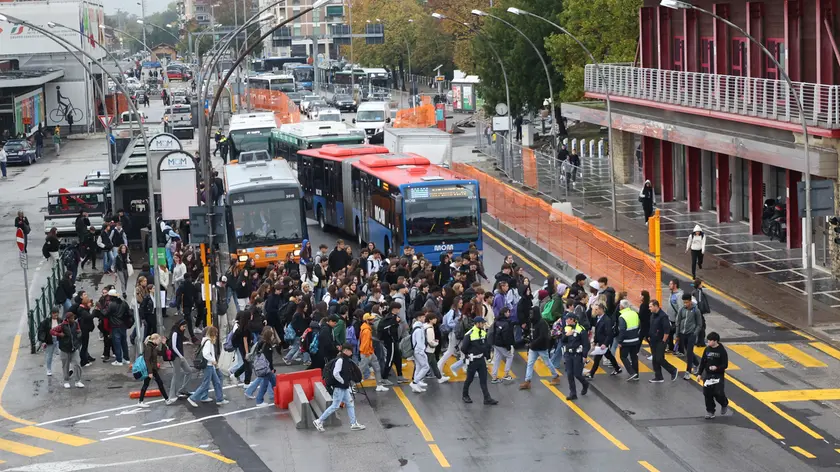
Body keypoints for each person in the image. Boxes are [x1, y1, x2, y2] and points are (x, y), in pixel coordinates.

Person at [313, 343, 366, 432]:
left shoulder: (344, 359)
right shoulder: (340, 360)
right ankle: (319, 421)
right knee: (335, 406)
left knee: (349, 403)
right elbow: (335, 373)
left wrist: (344, 383)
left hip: (343, 387)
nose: (351, 353)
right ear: (345, 351)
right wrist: (343, 381)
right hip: (339, 387)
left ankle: (353, 423)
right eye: (350, 351)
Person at [519, 307, 562, 390]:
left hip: (541, 347)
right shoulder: (532, 322)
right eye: (530, 313)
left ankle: (555, 376)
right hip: (533, 347)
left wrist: (532, 343)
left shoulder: (542, 323)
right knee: (530, 363)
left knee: (547, 363)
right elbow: (531, 333)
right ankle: (527, 381)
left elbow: (543, 336)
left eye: (532, 314)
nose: (531, 315)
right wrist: (528, 339)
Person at [188, 326, 229, 407]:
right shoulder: (208, 342)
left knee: (216, 382)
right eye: (216, 334)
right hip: (208, 365)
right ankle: (193, 398)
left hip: (209, 365)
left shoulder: (206, 340)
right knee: (206, 384)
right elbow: (206, 354)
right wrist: (213, 360)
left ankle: (218, 399)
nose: (216, 335)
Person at [459, 316, 497, 405]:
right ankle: (465, 395)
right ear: (477, 324)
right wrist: (469, 354)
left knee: (483, 379)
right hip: (473, 360)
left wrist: (487, 357)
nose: (483, 324)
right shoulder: (469, 334)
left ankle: (487, 398)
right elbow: (463, 348)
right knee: (469, 379)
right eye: (482, 323)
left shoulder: (483, 333)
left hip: (481, 360)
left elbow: (486, 347)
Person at [697, 332, 729, 419]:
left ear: (715, 341)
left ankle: (724, 403)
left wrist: (717, 368)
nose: (708, 342)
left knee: (718, 392)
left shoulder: (722, 351)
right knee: (707, 393)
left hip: (718, 375)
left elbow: (725, 365)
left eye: (710, 340)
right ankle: (710, 411)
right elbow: (703, 362)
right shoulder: (707, 349)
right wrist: (699, 374)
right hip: (708, 375)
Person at [585, 303, 621, 378]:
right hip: (601, 342)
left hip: (603, 343)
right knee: (609, 356)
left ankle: (591, 374)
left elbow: (609, 334)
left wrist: (605, 344)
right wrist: (595, 341)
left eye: (596, 309)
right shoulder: (598, 318)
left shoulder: (607, 320)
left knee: (597, 359)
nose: (595, 311)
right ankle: (617, 368)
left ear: (601, 309)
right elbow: (598, 331)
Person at [50, 308, 83, 389]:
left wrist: (79, 333)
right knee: (66, 365)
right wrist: (59, 334)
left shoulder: (75, 324)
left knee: (77, 364)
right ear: (67, 319)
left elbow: (78, 329)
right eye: (71, 318)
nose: (73, 319)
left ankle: (78, 381)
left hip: (74, 348)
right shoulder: (62, 326)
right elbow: (52, 331)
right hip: (64, 349)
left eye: (73, 318)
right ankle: (66, 380)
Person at [560, 313, 589, 401]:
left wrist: (584, 356)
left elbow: (586, 344)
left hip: (577, 354)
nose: (566, 320)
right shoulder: (566, 328)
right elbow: (562, 340)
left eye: (567, 319)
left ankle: (585, 384)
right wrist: (566, 335)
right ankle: (573, 393)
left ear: (572, 319)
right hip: (568, 354)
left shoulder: (581, 330)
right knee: (569, 374)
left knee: (577, 374)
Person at [675, 292, 703, 380]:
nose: (685, 304)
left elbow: (699, 324)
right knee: (688, 350)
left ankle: (688, 372)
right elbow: (678, 322)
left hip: (691, 334)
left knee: (689, 352)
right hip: (683, 333)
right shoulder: (681, 310)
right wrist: (677, 334)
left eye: (686, 302)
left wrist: (695, 333)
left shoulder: (696, 310)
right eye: (684, 302)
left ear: (690, 301)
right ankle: (698, 365)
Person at [649, 300, 678, 383]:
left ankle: (673, 370)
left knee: (659, 358)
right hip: (653, 340)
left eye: (651, 306)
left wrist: (663, 341)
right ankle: (658, 377)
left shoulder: (663, 316)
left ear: (656, 306)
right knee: (655, 359)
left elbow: (666, 330)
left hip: (660, 341)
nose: (649, 308)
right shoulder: (653, 315)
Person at [358, 313, 389, 391]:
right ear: (367, 321)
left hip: (369, 352)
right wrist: (367, 353)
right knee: (360, 370)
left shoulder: (366, 329)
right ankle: (350, 386)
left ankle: (379, 384)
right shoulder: (367, 331)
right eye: (371, 319)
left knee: (376, 368)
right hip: (367, 353)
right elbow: (365, 344)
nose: (373, 320)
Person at [138, 334, 171, 407]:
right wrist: (150, 372)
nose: (159, 342)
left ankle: (166, 399)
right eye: (159, 340)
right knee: (148, 384)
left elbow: (161, 353)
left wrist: (163, 344)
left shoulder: (152, 347)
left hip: (153, 369)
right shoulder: (149, 348)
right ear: (155, 339)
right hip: (150, 369)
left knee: (157, 383)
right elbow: (147, 360)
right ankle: (140, 401)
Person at [616, 299, 642, 381]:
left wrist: (620, 341)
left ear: (622, 307)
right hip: (635, 339)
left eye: (620, 305)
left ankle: (631, 372)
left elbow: (622, 330)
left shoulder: (622, 317)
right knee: (634, 357)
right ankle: (636, 374)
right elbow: (639, 325)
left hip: (626, 341)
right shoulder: (634, 313)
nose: (619, 306)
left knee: (623, 356)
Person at [168, 318, 193, 400]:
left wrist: (185, 343)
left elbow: (178, 343)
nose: (184, 328)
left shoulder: (179, 332)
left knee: (189, 371)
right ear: (179, 325)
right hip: (176, 357)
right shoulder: (175, 333)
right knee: (176, 375)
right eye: (183, 326)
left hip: (180, 356)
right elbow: (174, 346)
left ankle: (183, 390)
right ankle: (172, 395)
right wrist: (180, 356)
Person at [105, 289, 131, 366]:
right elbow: (128, 312)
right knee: (124, 342)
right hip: (123, 325)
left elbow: (106, 314)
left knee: (117, 343)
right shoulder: (124, 303)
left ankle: (119, 360)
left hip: (115, 326)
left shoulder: (111, 304)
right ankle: (126, 359)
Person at [490, 306, 515, 383]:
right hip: (501, 344)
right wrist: (508, 347)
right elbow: (505, 337)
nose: (509, 313)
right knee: (510, 356)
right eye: (508, 312)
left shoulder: (496, 321)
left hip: (495, 343)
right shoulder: (506, 324)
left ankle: (494, 377)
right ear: (504, 313)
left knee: (497, 359)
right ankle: (506, 374)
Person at [254, 326, 278, 406]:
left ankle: (277, 395)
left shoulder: (261, 342)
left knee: (274, 382)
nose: (273, 336)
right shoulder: (267, 346)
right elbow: (269, 359)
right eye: (272, 335)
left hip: (263, 368)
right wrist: (271, 368)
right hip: (266, 369)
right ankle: (259, 400)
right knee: (265, 384)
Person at [409, 311, 429, 393]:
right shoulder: (419, 330)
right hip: (419, 351)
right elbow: (419, 342)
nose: (424, 318)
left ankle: (415, 386)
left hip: (416, 351)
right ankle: (414, 382)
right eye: (423, 317)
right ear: (419, 318)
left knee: (418, 367)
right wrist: (422, 352)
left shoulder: (417, 327)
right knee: (426, 367)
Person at [38, 307, 61, 376]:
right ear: (51, 314)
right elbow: (42, 331)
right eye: (54, 314)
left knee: (62, 354)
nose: (55, 316)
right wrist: (43, 340)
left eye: (57, 315)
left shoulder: (60, 320)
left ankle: (67, 369)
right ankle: (49, 369)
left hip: (58, 339)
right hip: (50, 340)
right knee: (49, 356)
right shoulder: (46, 322)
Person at [692, 279, 710, 345]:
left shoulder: (694, 292)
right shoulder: (699, 292)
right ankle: (700, 341)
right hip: (698, 312)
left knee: (699, 326)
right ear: (699, 285)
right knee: (701, 326)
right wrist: (701, 311)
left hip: (696, 311)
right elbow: (700, 302)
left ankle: (698, 341)